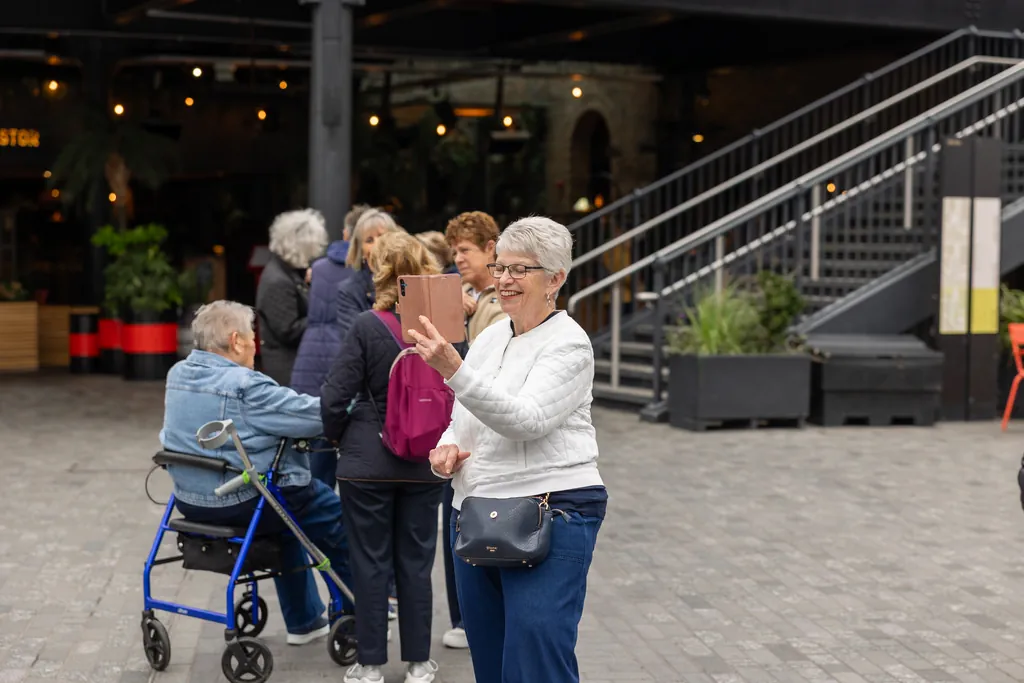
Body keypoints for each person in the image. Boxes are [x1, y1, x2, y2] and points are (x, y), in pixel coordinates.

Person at [409, 216, 608, 683]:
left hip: (552, 510)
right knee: (492, 662)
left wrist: (453, 369)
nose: (504, 280)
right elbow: (465, 417)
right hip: (477, 510)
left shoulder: (570, 344)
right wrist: (447, 448)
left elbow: (527, 419)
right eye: (500, 268)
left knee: (536, 658)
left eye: (521, 270)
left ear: (555, 279)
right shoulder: (492, 336)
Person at [159, 300, 354, 646]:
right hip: (242, 499)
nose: (255, 344)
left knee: (283, 517)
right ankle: (359, 613)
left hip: (190, 500)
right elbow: (317, 416)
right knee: (334, 518)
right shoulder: (245, 385)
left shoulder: (177, 375)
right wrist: (358, 400)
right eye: (252, 337)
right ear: (236, 341)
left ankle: (305, 621)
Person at [321, 232, 452, 683]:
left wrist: (340, 440)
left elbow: (334, 397)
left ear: (380, 274)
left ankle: (370, 664)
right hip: (425, 462)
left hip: (367, 463)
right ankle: (419, 662)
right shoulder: (445, 330)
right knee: (416, 562)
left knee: (369, 561)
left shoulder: (366, 326)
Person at [290, 204, 371, 487]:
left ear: (345, 232)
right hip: (347, 357)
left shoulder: (319, 267)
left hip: (311, 357)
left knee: (318, 453)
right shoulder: (367, 272)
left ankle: (312, 525)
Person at [255, 209, 328, 385]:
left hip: (294, 366)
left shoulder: (287, 272)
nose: (313, 255)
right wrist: (323, 315)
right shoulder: (278, 280)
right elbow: (288, 330)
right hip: (287, 370)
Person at [335, 209, 402, 343]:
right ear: (360, 250)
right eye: (369, 240)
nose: (378, 245)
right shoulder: (349, 291)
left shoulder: (409, 281)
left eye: (383, 237)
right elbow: (357, 339)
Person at [445, 211, 506, 345]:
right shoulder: (453, 291)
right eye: (454, 253)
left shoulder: (509, 291)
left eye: (464, 250)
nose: (458, 259)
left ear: (490, 248)